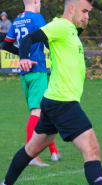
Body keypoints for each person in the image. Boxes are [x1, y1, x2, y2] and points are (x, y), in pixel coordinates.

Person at [0, 0, 102, 185]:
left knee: (32, 149)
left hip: (53, 100)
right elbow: (28, 38)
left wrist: (84, 15)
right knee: (92, 149)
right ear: (71, 8)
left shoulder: (71, 31)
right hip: (63, 102)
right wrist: (24, 58)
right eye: (83, 11)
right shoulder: (61, 26)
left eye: (89, 12)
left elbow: (77, 25)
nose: (87, 16)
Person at [2, 0, 60, 166]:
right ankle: (31, 156)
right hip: (37, 70)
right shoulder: (37, 18)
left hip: (24, 73)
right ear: (35, 1)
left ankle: (53, 150)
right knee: (37, 111)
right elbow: (48, 39)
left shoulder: (17, 20)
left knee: (43, 111)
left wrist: (22, 55)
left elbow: (6, 44)